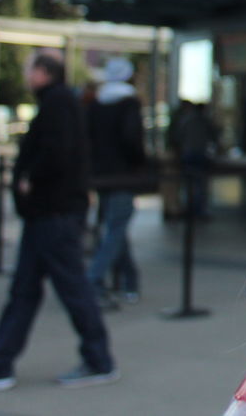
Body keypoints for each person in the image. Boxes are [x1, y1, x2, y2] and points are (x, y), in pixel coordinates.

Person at [0, 54, 119, 391]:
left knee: (70, 288)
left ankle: (98, 360)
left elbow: (57, 151)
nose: (25, 74)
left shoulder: (58, 103)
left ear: (43, 73)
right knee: (25, 290)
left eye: (28, 68)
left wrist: (30, 178)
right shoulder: (59, 102)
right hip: (47, 214)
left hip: (53, 214)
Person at [86, 56, 147, 309]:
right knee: (116, 228)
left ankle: (129, 281)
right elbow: (132, 139)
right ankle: (94, 280)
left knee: (114, 227)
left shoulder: (97, 103)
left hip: (102, 176)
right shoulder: (129, 102)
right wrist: (140, 163)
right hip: (122, 175)